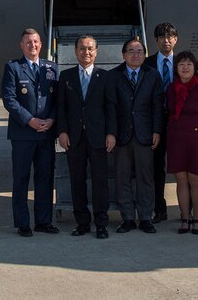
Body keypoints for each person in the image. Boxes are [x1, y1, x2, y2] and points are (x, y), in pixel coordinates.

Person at [1, 28, 59, 237]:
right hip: (24, 134)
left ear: (41, 44)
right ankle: (22, 222)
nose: (32, 45)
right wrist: (30, 120)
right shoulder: (13, 67)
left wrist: (51, 119)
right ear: (21, 45)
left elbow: (57, 99)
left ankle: (43, 221)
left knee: (45, 178)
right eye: (28, 42)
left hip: (46, 132)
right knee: (21, 178)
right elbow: (9, 99)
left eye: (35, 42)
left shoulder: (51, 68)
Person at [104, 37, 164, 234]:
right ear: (123, 54)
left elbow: (157, 105)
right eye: (131, 51)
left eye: (139, 51)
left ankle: (146, 217)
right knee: (122, 178)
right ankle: (128, 218)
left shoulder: (153, 75)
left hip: (145, 134)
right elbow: (110, 107)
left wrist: (156, 130)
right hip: (121, 136)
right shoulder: (113, 76)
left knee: (146, 178)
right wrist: (111, 133)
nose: (135, 54)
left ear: (144, 54)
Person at [56, 35, 110, 239]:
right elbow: (61, 106)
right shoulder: (66, 76)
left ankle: (101, 222)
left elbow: (110, 108)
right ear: (75, 51)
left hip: (98, 137)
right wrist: (62, 131)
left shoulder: (105, 77)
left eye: (90, 49)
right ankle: (82, 222)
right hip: (74, 138)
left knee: (100, 181)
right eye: (82, 49)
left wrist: (111, 134)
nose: (86, 53)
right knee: (77, 181)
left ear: (96, 52)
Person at [165, 51, 198, 235]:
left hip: (195, 139)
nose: (185, 68)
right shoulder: (171, 89)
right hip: (176, 138)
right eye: (181, 64)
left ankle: (197, 219)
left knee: (195, 179)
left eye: (188, 64)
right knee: (180, 179)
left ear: (195, 68)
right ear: (176, 68)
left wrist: (197, 124)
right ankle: (185, 218)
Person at [147, 22, 178, 223]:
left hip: (178, 122)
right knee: (156, 167)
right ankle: (159, 207)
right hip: (155, 122)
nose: (166, 41)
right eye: (162, 37)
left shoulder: (185, 62)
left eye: (170, 37)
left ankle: (188, 208)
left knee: (183, 166)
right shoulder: (147, 64)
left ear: (176, 39)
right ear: (156, 41)